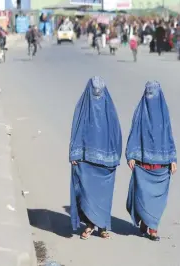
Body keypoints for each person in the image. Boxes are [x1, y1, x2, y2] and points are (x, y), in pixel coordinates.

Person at [69, 76, 122, 240]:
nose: (96, 97)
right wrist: (74, 154)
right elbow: (76, 130)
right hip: (86, 159)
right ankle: (90, 225)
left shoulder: (110, 110)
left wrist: (116, 156)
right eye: (94, 93)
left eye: (99, 93)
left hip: (106, 161)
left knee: (104, 195)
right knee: (87, 193)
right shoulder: (82, 108)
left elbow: (116, 134)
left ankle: (103, 226)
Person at [126, 81, 177, 242]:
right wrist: (131, 155)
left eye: (153, 94)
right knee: (143, 193)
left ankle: (153, 227)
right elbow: (134, 133)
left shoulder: (163, 113)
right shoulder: (140, 112)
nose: (150, 97)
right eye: (148, 94)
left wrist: (173, 159)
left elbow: (169, 136)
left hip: (160, 163)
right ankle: (145, 219)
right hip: (143, 163)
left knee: (157, 197)